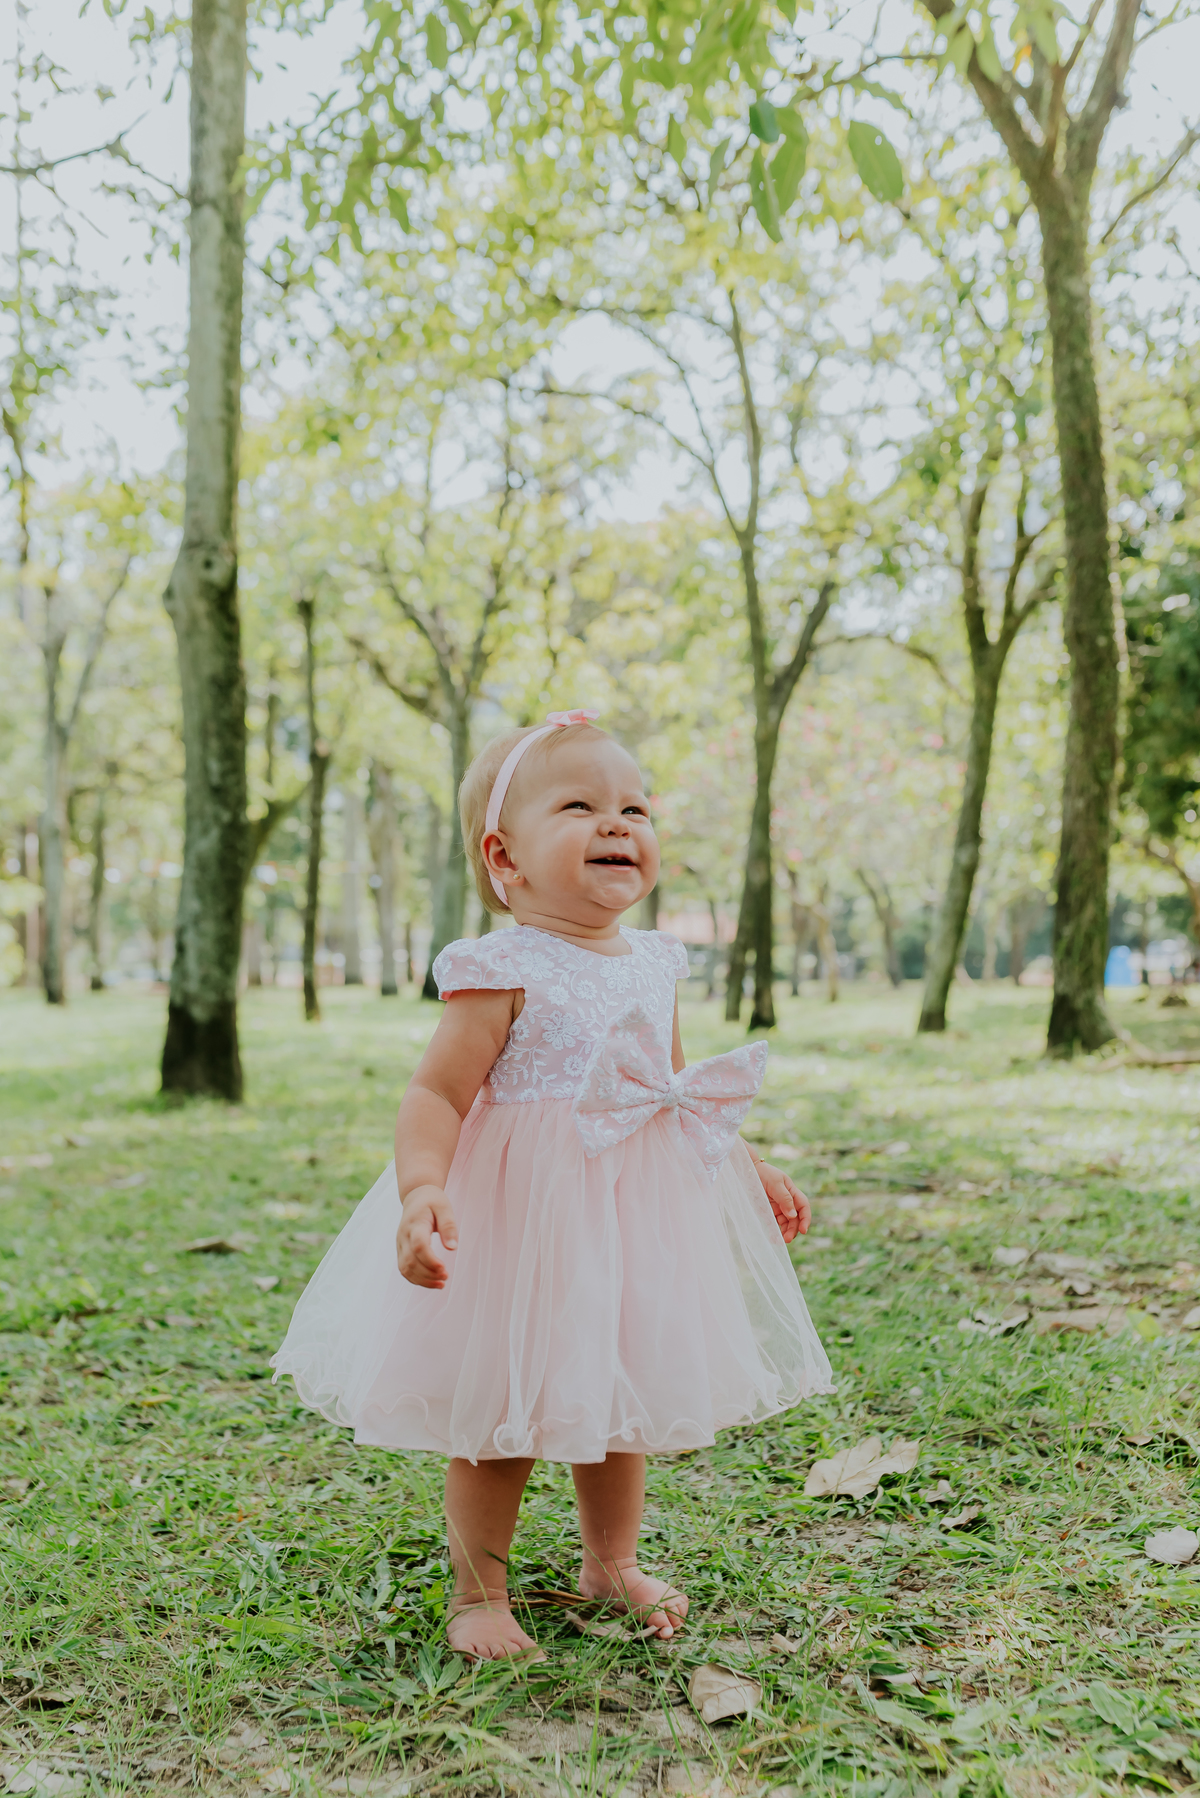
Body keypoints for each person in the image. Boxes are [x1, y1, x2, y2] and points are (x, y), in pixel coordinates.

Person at [272, 711, 832, 1660]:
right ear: (506, 857)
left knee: (619, 1392)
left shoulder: (656, 961)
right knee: (504, 1407)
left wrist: (746, 1165)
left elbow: (671, 1089)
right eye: (579, 806)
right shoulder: (502, 969)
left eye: (635, 808)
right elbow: (436, 1094)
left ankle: (610, 1562)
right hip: (522, 1219)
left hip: (630, 1219)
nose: (617, 823)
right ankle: (479, 1594)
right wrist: (421, 1190)